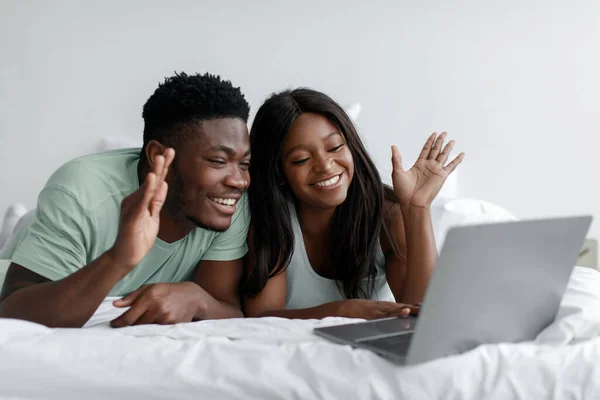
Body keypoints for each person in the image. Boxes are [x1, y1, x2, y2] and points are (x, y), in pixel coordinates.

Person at [0, 72, 252, 328]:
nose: (239, 180)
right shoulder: (81, 189)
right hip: (33, 261)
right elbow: (12, 312)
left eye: (244, 163)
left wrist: (198, 299)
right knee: (30, 223)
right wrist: (119, 257)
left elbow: (227, 307)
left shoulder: (229, 199)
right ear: (157, 154)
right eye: (218, 161)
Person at [242, 88, 464, 320]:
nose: (325, 165)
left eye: (335, 147)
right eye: (302, 159)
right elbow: (261, 316)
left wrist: (417, 208)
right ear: (277, 172)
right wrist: (340, 311)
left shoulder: (388, 218)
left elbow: (423, 315)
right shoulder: (271, 219)